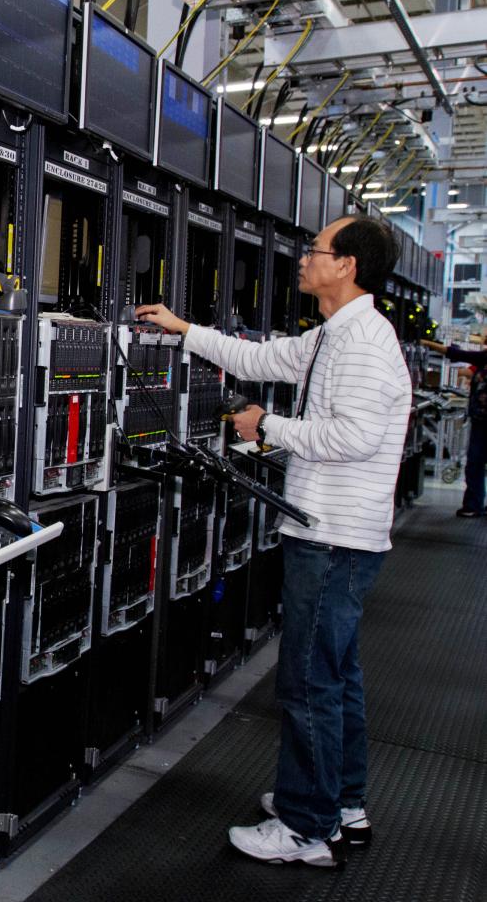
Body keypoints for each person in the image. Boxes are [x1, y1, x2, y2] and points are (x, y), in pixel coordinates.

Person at [136, 215, 410, 869]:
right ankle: (340, 802)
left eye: (314, 249)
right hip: (335, 533)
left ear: (346, 265)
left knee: (309, 683)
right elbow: (263, 358)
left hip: (335, 537)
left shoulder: (365, 343)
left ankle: (306, 827)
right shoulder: (334, 336)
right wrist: (184, 330)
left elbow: (353, 438)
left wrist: (269, 426)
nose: (302, 258)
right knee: (336, 677)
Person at [420, 336, 487, 516]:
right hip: (480, 417)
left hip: (483, 420)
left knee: (475, 462)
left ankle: (473, 506)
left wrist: (427, 344)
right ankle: (475, 504)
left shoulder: (484, 357)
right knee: (476, 462)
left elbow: (456, 353)